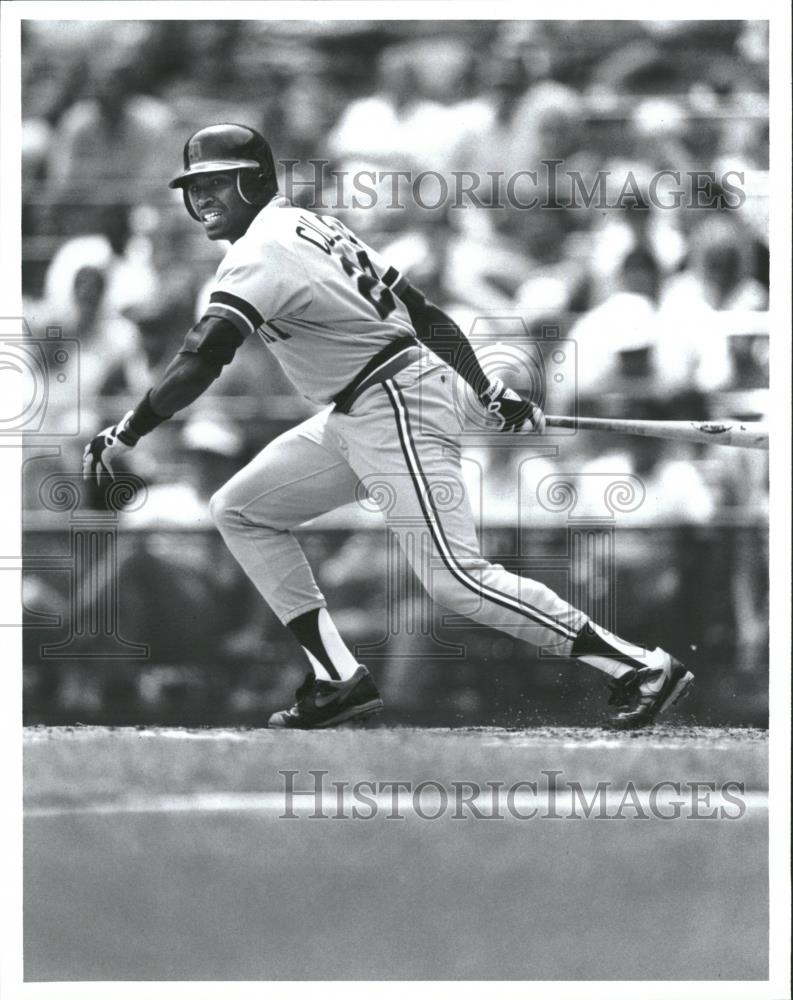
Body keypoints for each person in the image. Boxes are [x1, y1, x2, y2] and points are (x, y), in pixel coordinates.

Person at [83, 123, 693, 730]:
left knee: (456, 579)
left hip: (390, 401)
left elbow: (204, 356)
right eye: (197, 187)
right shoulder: (310, 224)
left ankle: (638, 667)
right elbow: (423, 312)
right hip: (363, 405)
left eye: (220, 182)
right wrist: (483, 386)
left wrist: (128, 431)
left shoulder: (261, 249)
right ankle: (337, 677)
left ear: (257, 182)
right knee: (241, 509)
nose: (205, 198)